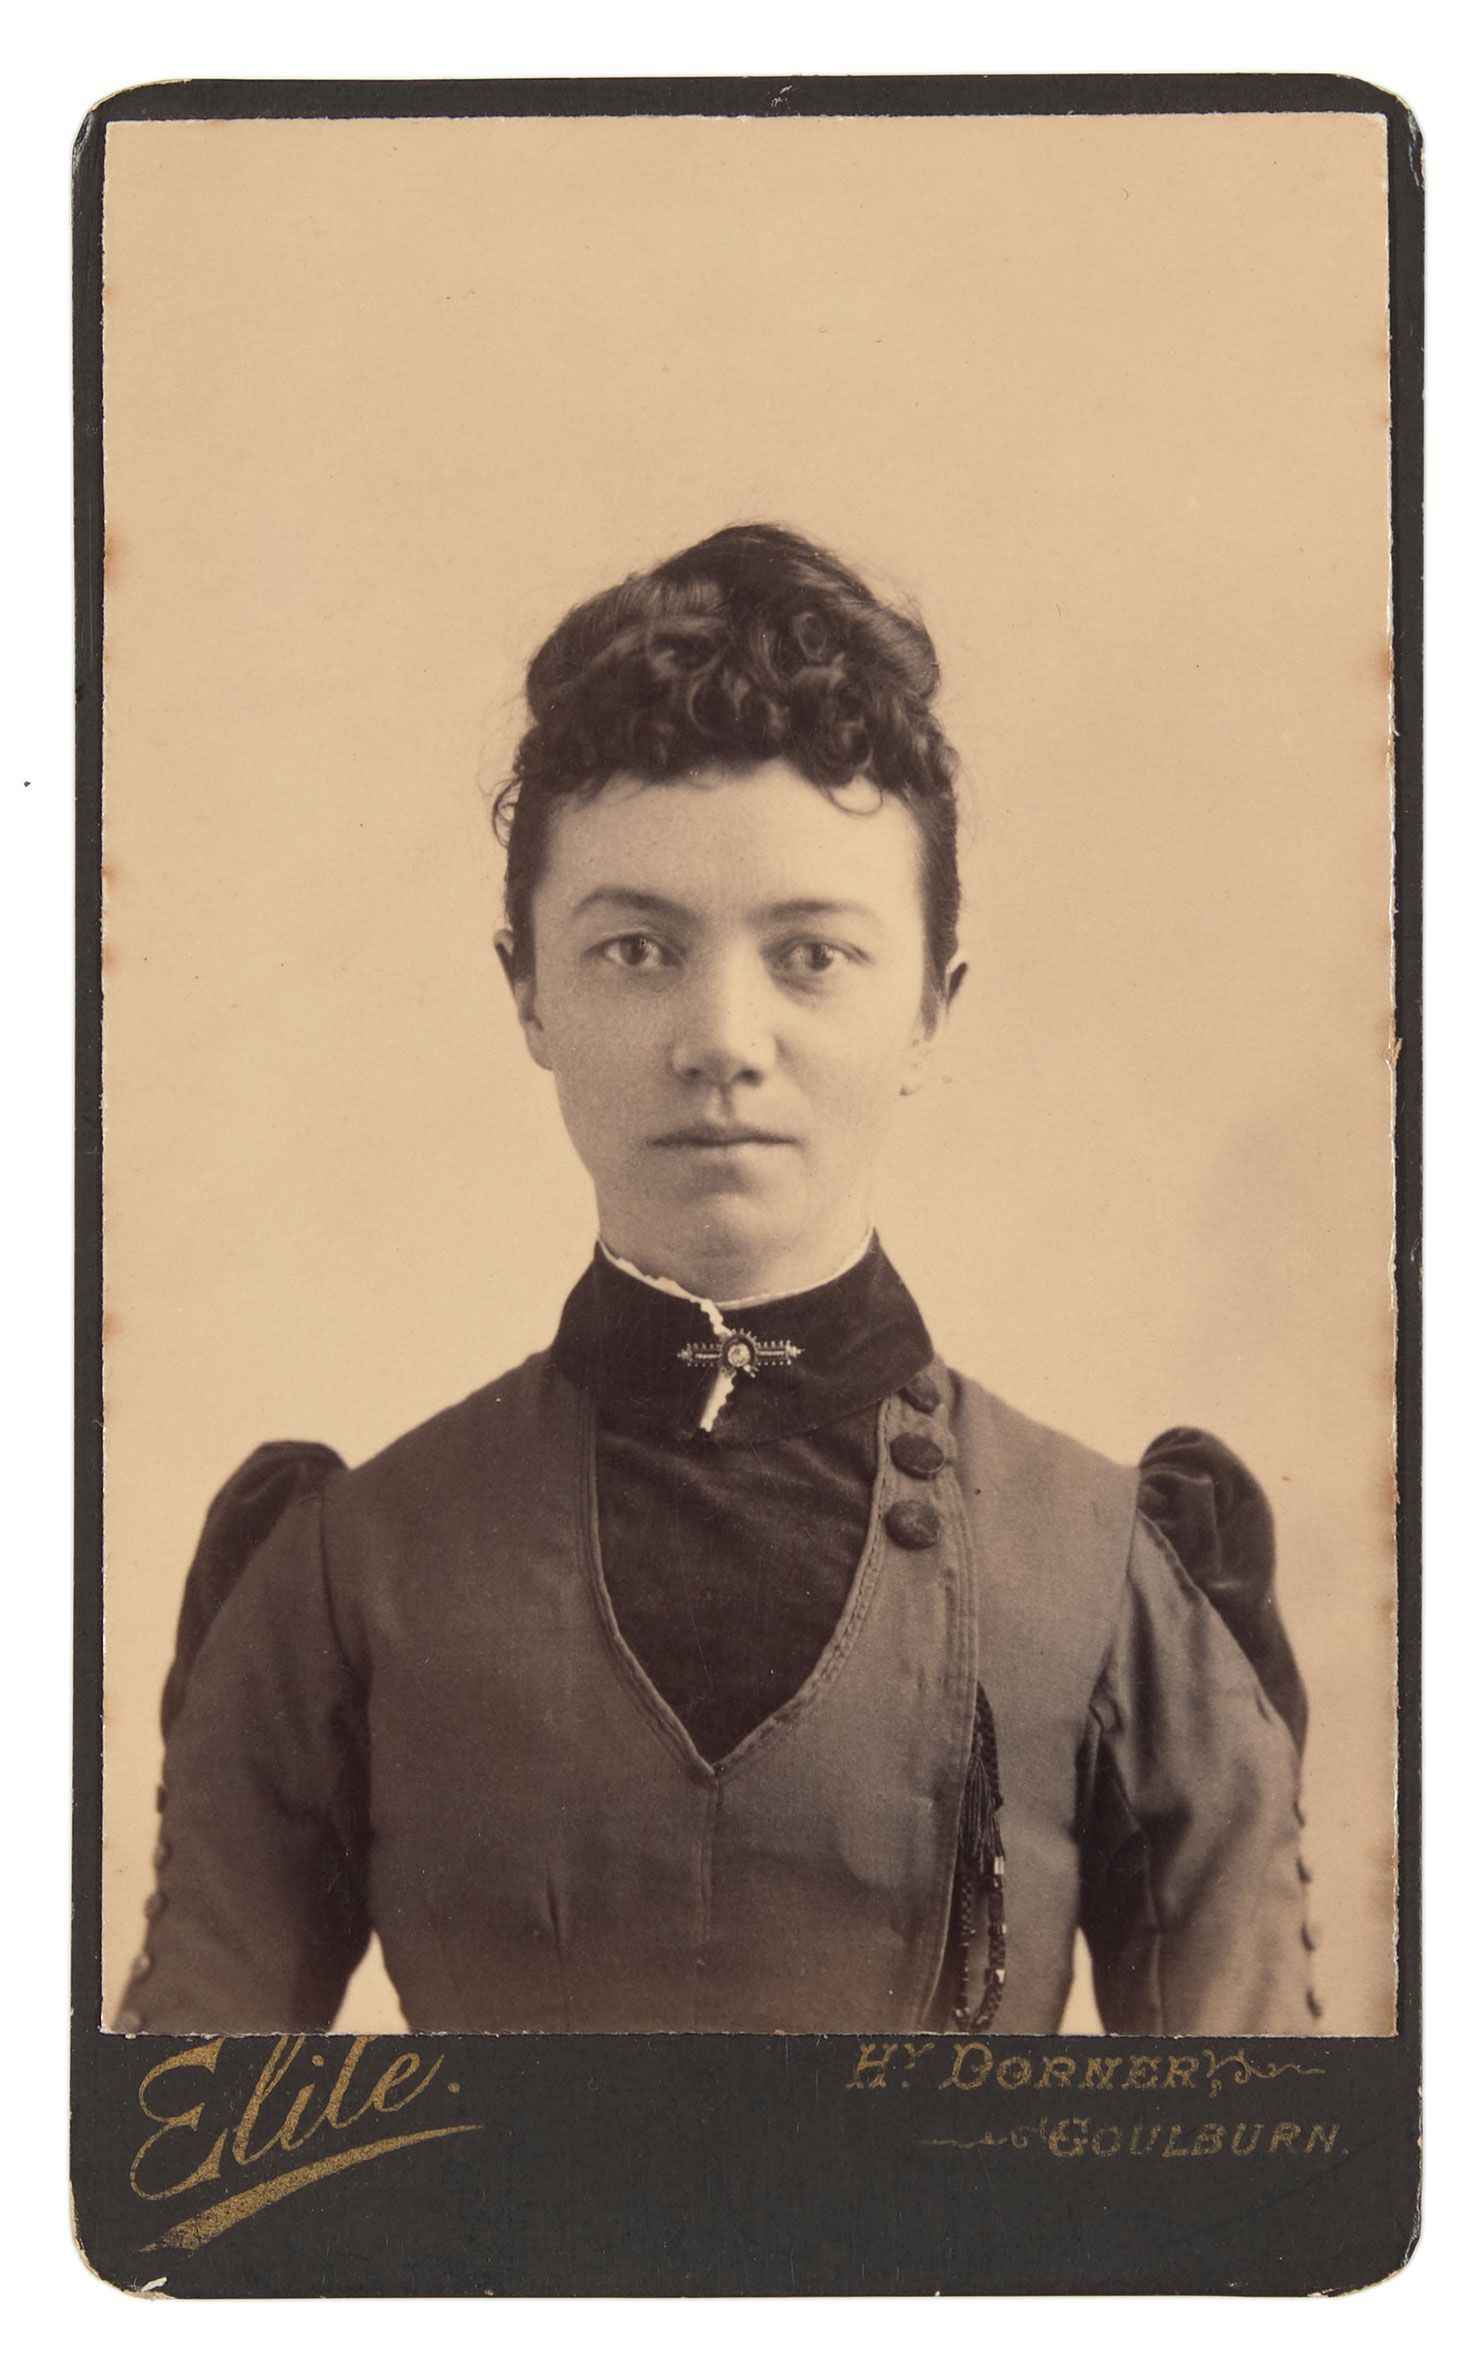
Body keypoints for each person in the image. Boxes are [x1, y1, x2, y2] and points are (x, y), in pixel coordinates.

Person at [116, 523, 1319, 2039]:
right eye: (637, 950)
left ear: (932, 1005)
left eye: (812, 955)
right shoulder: (341, 1574)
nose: (723, 1041)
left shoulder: (1117, 1577)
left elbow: (1248, 2160)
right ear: (527, 991)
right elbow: (186, 2148)